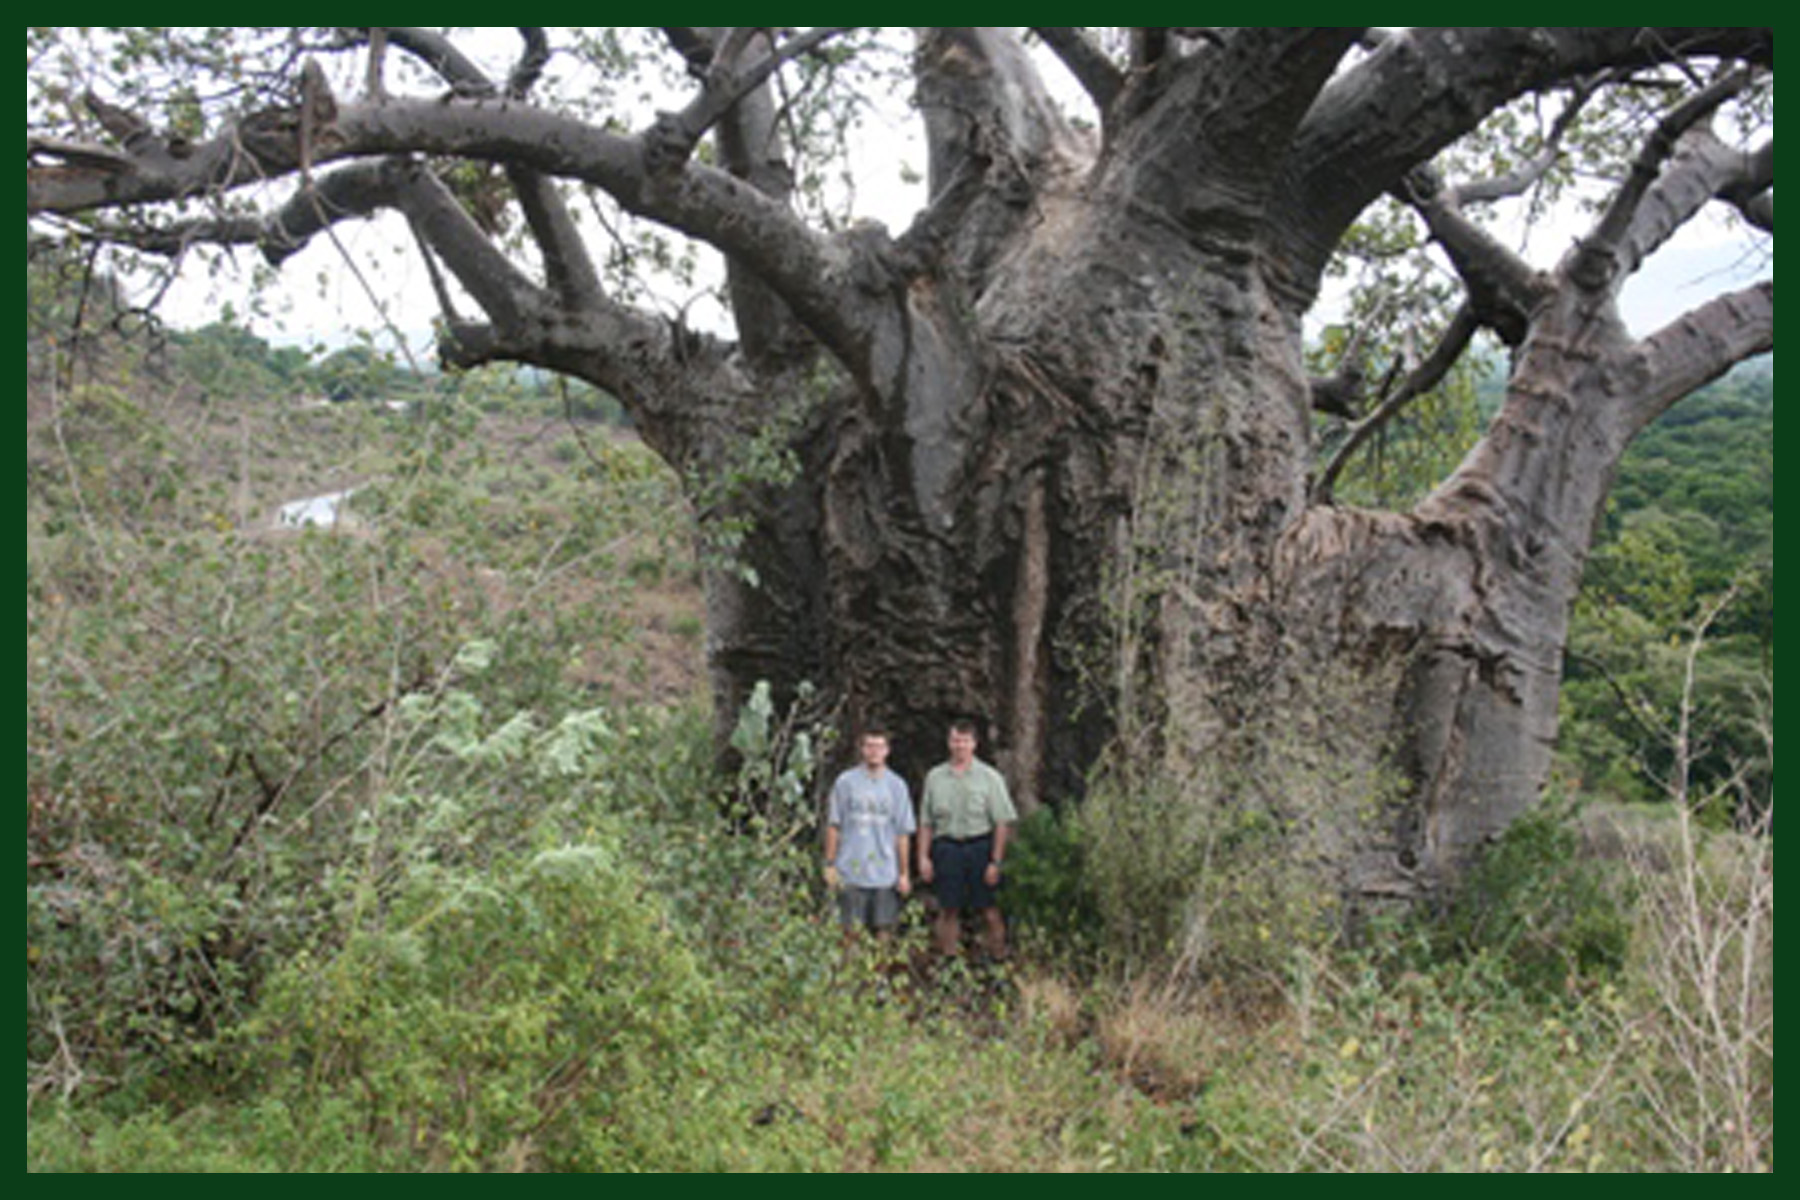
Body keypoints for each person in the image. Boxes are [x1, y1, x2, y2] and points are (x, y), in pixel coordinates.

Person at [917, 718, 1017, 962]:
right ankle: (948, 963)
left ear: (974, 744)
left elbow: (1003, 822)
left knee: (989, 909)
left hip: (980, 846)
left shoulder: (990, 778)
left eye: (964, 741)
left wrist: (996, 861)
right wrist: (923, 857)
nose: (959, 746)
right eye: (955, 740)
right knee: (948, 908)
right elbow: (926, 822)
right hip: (947, 847)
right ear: (948, 743)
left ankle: (998, 960)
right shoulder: (935, 777)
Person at [823, 727, 915, 942]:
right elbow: (834, 825)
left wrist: (904, 873)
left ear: (887, 751)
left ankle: (879, 977)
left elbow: (902, 833)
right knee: (849, 933)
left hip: (885, 873)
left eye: (879, 746)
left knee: (884, 933)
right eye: (869, 746)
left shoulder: (897, 786)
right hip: (850, 871)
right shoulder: (845, 782)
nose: (874, 751)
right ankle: (851, 976)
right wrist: (829, 864)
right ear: (862, 749)